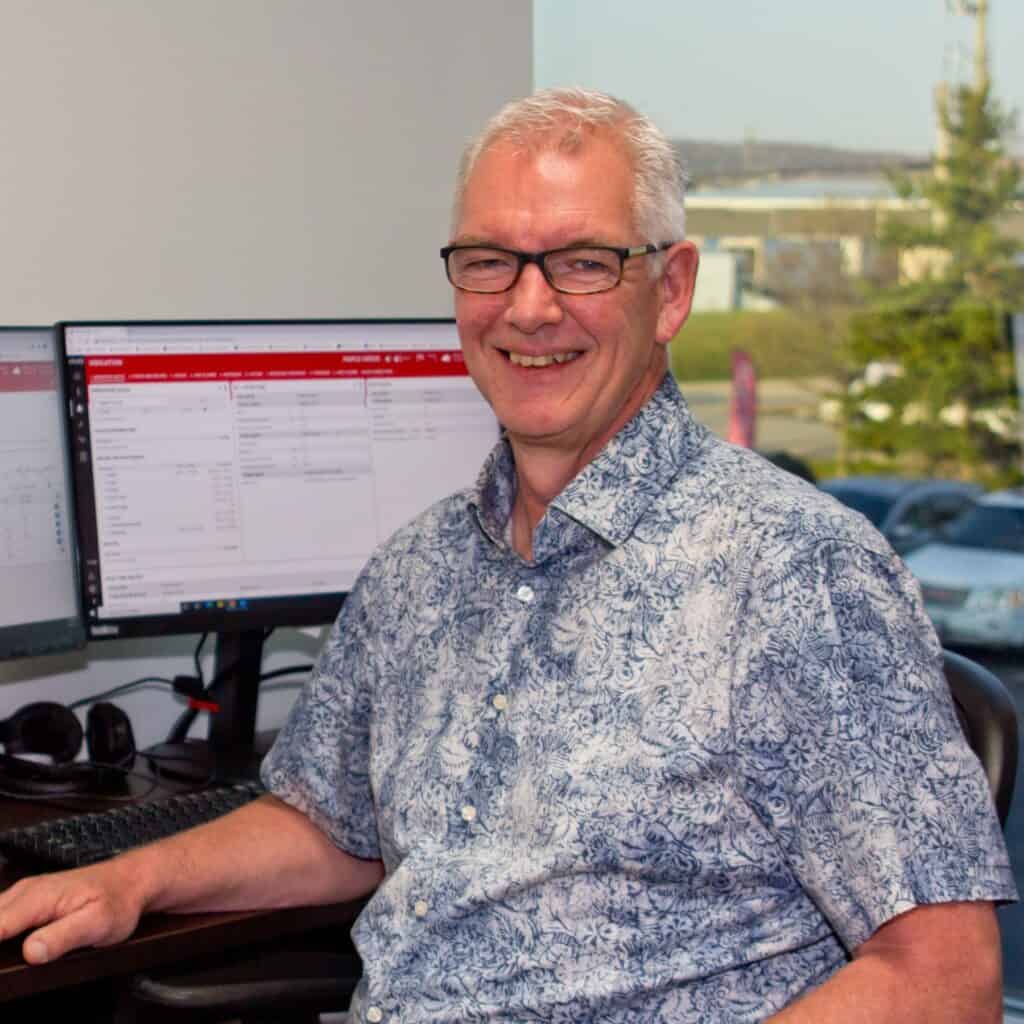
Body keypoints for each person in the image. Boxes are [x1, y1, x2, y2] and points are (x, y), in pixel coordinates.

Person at [0, 88, 1016, 1023]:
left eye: (583, 262)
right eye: (490, 261)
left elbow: (943, 977)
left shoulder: (796, 571)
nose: (527, 308)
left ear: (670, 290)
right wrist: (130, 880)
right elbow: (331, 825)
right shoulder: (418, 570)